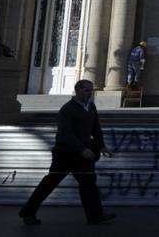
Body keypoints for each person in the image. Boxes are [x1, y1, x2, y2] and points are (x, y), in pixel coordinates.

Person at [19, 79, 116, 225]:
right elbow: (66, 134)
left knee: (89, 184)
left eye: (91, 90)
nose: (90, 93)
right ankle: (28, 212)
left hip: (84, 155)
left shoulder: (91, 107)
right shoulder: (67, 109)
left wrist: (101, 146)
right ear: (78, 91)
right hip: (65, 154)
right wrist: (82, 149)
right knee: (50, 183)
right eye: (87, 90)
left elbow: (96, 128)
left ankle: (95, 215)